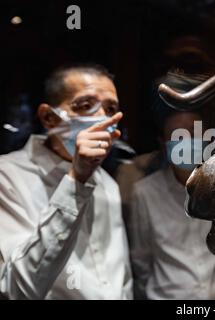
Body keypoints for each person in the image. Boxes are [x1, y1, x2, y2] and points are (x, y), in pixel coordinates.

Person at [0, 64, 133, 299]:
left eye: (110, 108)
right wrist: (76, 180)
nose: (102, 117)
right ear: (49, 118)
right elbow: (16, 289)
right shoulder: (7, 175)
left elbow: (121, 278)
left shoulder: (109, 185)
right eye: (85, 106)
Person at [127, 72, 215, 299]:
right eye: (178, 137)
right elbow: (141, 261)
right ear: (163, 143)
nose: (186, 143)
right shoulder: (145, 193)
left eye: (193, 134)